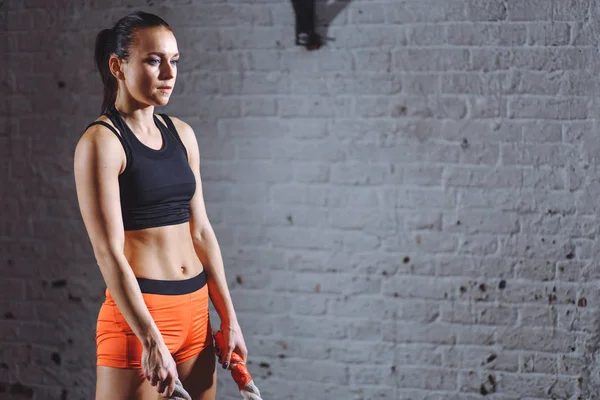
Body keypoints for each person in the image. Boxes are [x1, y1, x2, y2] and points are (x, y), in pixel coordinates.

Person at [73, 11, 247, 400]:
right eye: (154, 60)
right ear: (117, 66)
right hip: (141, 319)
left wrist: (229, 317)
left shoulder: (181, 133)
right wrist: (150, 339)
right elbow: (108, 253)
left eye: (175, 61)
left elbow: (200, 230)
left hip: (196, 311)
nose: (169, 72)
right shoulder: (102, 142)